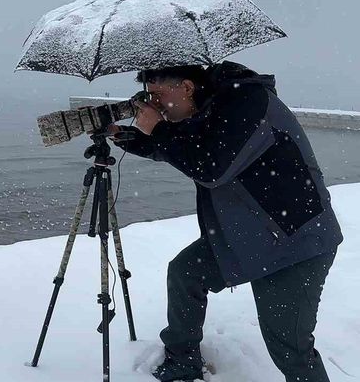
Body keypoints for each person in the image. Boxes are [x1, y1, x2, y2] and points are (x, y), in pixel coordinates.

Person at [108, 61, 343, 382]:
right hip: (249, 235)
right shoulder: (213, 107)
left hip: (296, 243)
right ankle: (182, 360)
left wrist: (158, 129)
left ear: (186, 87)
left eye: (158, 95)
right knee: (186, 273)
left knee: (290, 348)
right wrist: (128, 138)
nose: (154, 104)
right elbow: (187, 148)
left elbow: (210, 167)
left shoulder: (248, 105)